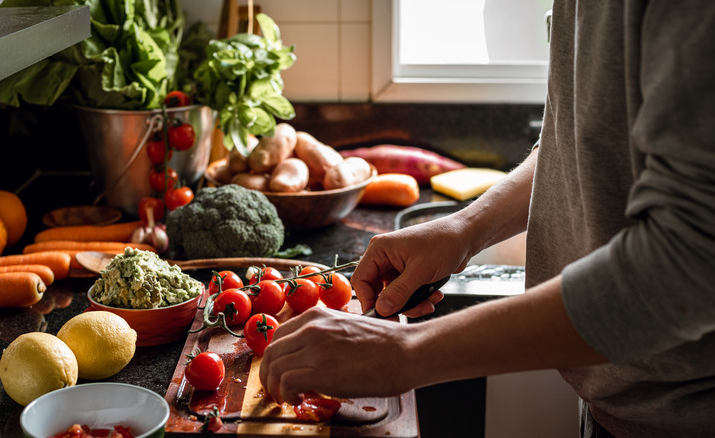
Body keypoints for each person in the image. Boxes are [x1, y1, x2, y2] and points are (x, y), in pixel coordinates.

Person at [259, 1, 715, 436]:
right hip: (623, 405)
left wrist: (407, 352)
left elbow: (690, 262)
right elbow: (580, 144)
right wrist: (465, 227)